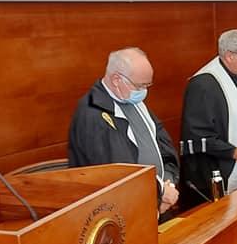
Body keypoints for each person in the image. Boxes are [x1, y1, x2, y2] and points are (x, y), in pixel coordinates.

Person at [68, 47, 179, 214]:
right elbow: (118, 169)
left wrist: (169, 180)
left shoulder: (130, 99)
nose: (144, 91)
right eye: (140, 85)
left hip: (156, 202)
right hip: (119, 211)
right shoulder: (92, 112)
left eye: (148, 85)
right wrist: (161, 191)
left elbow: (162, 143)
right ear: (116, 79)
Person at [179, 29, 237, 209]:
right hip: (213, 170)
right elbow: (197, 136)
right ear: (229, 56)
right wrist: (234, 152)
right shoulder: (203, 85)